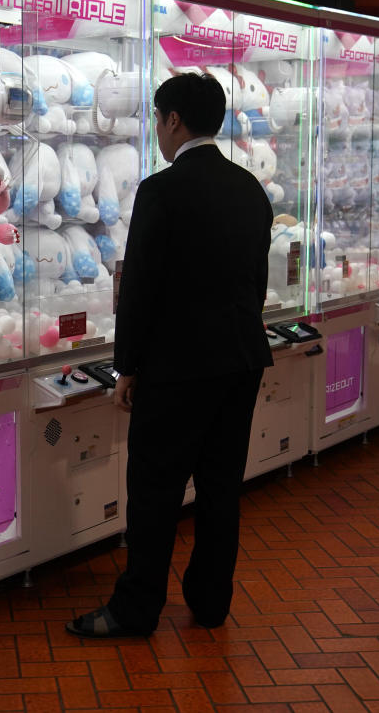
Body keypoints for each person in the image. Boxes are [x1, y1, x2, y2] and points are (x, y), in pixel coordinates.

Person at [67, 71, 274, 638]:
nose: (157, 130)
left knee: (155, 492)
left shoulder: (161, 190)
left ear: (173, 120)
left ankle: (136, 610)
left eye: (158, 120)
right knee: (221, 487)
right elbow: (255, 282)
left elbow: (140, 288)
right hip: (240, 359)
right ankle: (210, 602)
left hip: (178, 368)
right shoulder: (249, 188)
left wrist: (127, 365)